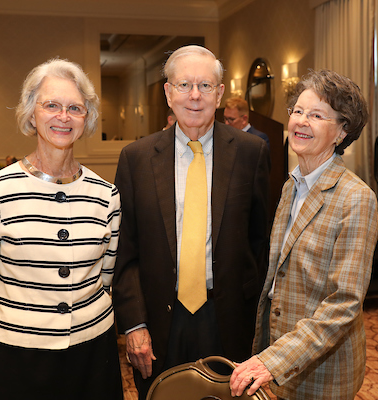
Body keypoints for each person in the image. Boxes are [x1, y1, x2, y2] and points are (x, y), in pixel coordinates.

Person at [113, 45, 271, 400]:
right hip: (158, 323)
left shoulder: (251, 153)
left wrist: (256, 323)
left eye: (205, 85)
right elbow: (125, 251)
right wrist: (134, 324)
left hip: (228, 319)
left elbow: (259, 242)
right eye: (184, 85)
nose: (195, 95)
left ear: (220, 93)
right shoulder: (135, 159)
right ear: (168, 93)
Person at [0, 58, 123, 400]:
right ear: (31, 113)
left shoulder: (106, 195)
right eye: (51, 105)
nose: (63, 117)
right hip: (19, 355)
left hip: (94, 350)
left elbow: (105, 277)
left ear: (87, 119)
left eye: (75, 108)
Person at [229, 69, 378, 400]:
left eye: (316, 115)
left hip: (321, 370)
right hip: (277, 348)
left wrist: (274, 361)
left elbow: (344, 303)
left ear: (342, 131)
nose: (300, 121)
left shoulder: (355, 198)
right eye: (297, 111)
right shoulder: (291, 186)